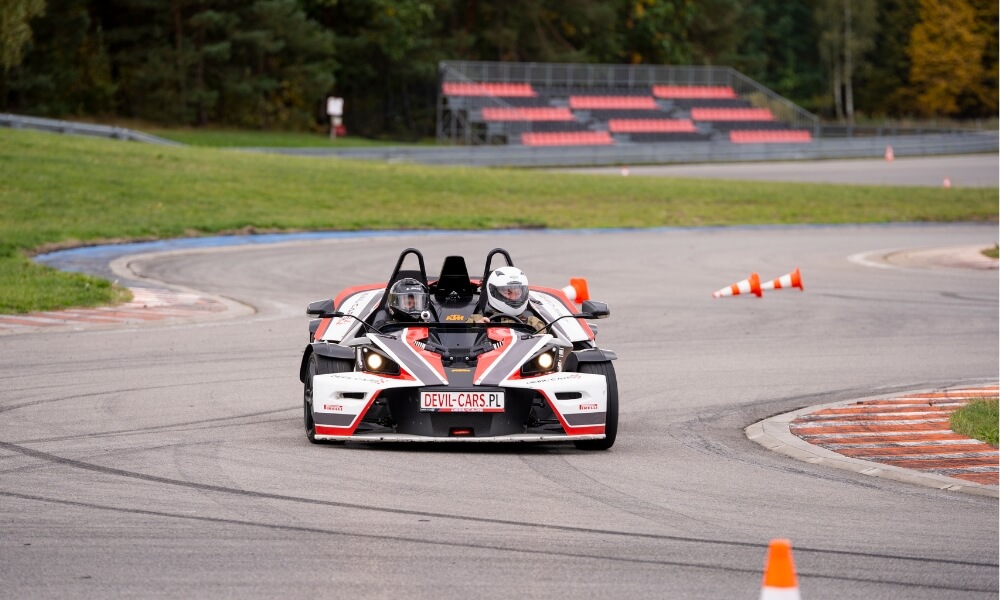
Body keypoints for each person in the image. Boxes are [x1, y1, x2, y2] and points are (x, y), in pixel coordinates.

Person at [469, 266, 545, 332]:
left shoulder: (533, 323)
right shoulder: (476, 320)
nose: (514, 297)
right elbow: (462, 341)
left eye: (518, 292)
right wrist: (477, 329)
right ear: (494, 292)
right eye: (508, 293)